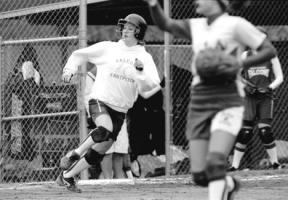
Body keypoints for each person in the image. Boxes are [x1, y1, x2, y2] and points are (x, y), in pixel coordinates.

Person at [143, 0, 277, 200]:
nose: (197, 0)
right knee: (199, 176)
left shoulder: (236, 25)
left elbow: (269, 50)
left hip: (228, 98)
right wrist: (154, 4)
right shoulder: (196, 26)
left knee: (215, 162)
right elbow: (166, 25)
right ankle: (229, 185)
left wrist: (239, 62)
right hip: (200, 100)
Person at [55, 13, 161, 193]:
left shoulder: (144, 57)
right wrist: (69, 70)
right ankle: (73, 154)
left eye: (130, 28)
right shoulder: (109, 48)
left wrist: (140, 72)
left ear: (139, 32)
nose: (125, 31)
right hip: (100, 100)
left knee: (99, 152)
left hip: (120, 110)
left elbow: (150, 87)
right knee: (105, 129)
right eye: (124, 27)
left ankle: (66, 176)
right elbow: (79, 54)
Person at [229, 31, 284, 171]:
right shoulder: (245, 56)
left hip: (265, 97)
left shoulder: (271, 56)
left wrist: (269, 88)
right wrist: (244, 86)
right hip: (249, 97)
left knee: (265, 131)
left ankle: (275, 163)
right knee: (245, 133)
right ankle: (234, 166)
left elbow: (280, 77)